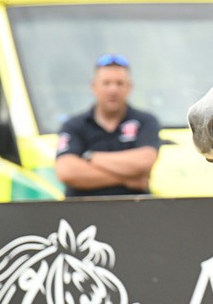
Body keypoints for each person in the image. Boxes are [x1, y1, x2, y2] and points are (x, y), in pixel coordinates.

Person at [55, 54, 161, 198]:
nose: (113, 90)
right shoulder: (73, 125)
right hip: (82, 214)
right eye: (106, 83)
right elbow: (67, 171)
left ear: (129, 87)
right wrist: (129, 178)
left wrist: (90, 157)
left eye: (119, 83)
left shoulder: (146, 121)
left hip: (135, 212)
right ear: (94, 86)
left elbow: (144, 162)